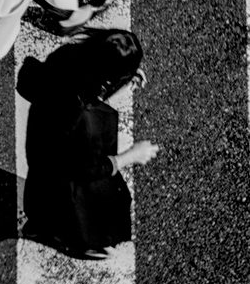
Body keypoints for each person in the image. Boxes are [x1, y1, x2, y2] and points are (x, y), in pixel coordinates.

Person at [19, 29, 159, 260]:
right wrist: (131, 156)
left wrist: (122, 77)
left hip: (42, 140)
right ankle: (79, 240)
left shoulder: (70, 56)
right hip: (67, 160)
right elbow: (88, 167)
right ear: (106, 79)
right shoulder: (78, 117)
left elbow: (86, 91)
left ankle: (38, 224)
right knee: (81, 198)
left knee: (43, 184)